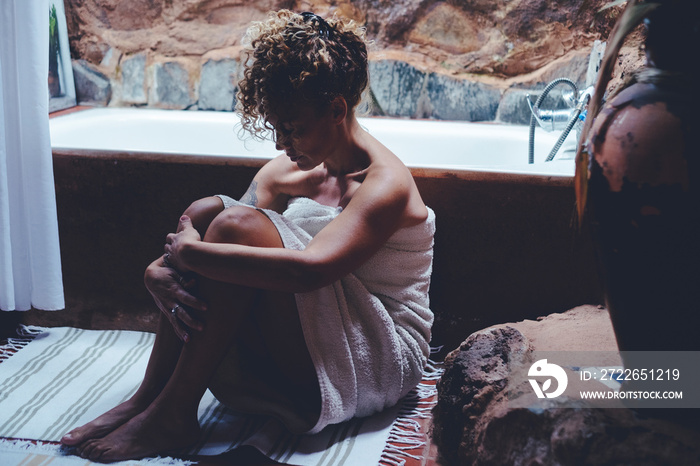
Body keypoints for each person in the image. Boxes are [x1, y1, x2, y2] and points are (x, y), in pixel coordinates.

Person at [60, 9, 435, 462]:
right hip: (313, 333)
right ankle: (150, 397)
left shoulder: (384, 182)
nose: (280, 142)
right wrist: (157, 271)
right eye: (275, 126)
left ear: (337, 109)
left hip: (380, 349)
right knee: (209, 211)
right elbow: (217, 237)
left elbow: (311, 270)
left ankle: (173, 415)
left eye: (292, 128)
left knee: (233, 225)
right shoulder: (288, 170)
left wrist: (193, 256)